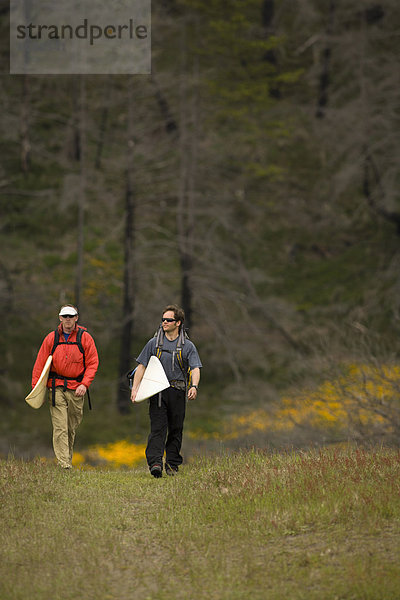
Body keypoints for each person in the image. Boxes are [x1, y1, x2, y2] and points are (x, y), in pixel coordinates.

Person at [131, 304, 202, 477]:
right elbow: (142, 366)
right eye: (163, 319)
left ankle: (172, 464)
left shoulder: (188, 346)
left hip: (178, 391)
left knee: (176, 428)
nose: (164, 322)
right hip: (157, 392)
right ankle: (155, 463)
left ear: (178, 323)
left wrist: (194, 386)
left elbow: (195, 368)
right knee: (158, 428)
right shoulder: (153, 343)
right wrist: (135, 389)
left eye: (168, 320)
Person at [31, 304, 99, 469]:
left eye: (71, 316)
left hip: (77, 388)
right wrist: (36, 389)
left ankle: (66, 459)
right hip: (56, 388)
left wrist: (85, 384)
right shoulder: (51, 338)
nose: (68, 320)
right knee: (60, 426)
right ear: (60, 318)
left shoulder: (85, 338)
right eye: (65, 316)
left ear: (76, 318)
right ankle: (64, 464)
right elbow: (40, 364)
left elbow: (93, 363)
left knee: (71, 426)